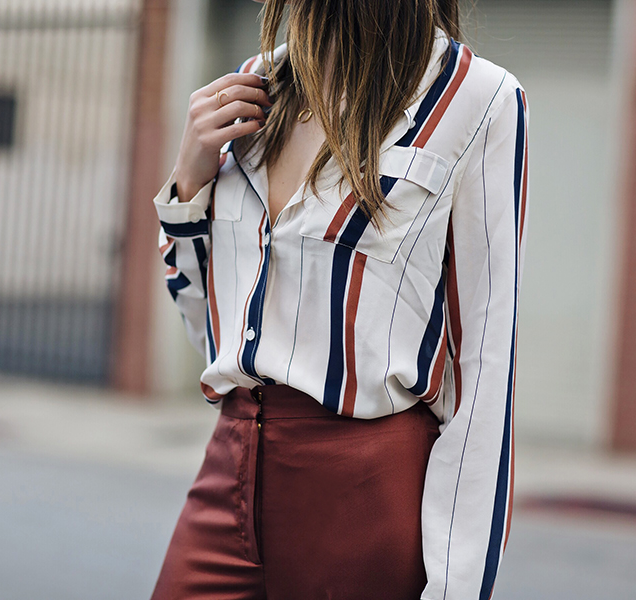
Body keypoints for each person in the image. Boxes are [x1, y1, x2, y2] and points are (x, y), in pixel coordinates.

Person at [149, 0, 529, 598]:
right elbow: (206, 322)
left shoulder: (478, 99)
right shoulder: (255, 88)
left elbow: (484, 368)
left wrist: (457, 587)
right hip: (230, 465)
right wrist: (189, 180)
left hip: (364, 489)